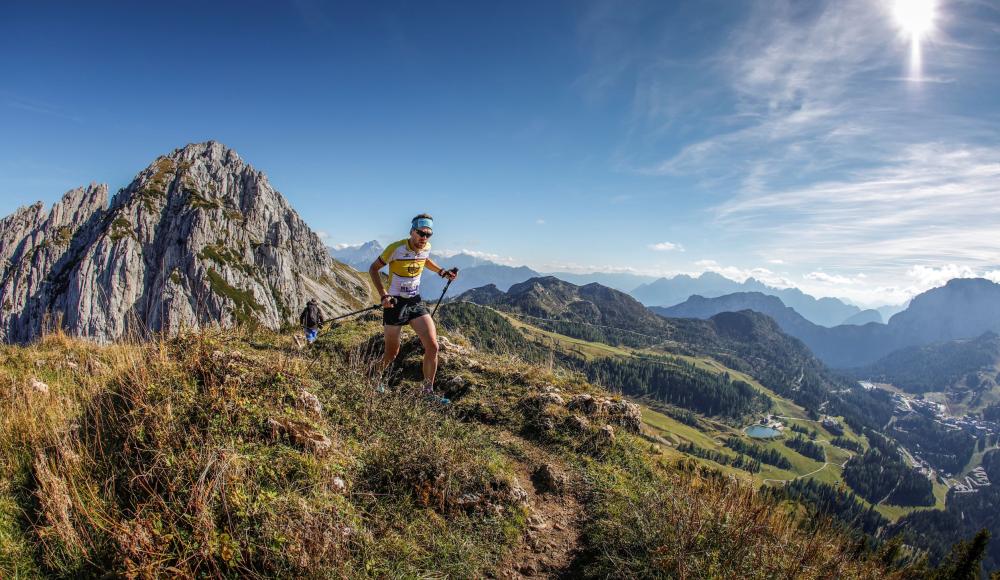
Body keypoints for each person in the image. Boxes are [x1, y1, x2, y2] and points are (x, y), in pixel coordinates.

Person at [368, 213, 458, 401]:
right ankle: (374, 376)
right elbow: (373, 269)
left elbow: (425, 260)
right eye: (420, 233)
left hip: (415, 301)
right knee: (392, 353)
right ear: (412, 231)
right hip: (394, 303)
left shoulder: (426, 247)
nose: (423, 238)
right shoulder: (396, 248)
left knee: (433, 346)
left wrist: (442, 272)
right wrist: (384, 295)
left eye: (428, 235)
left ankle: (427, 392)